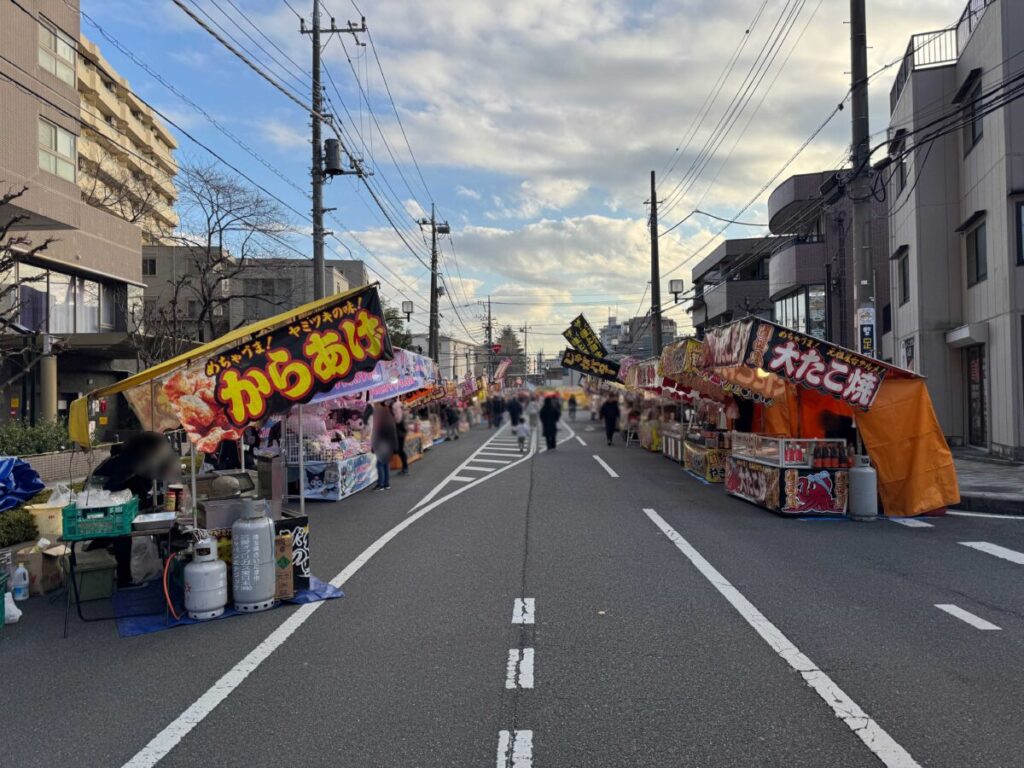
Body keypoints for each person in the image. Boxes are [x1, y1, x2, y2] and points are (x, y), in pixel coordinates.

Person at [372, 403, 398, 490]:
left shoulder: (381, 423)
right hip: (389, 445)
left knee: (380, 464)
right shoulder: (391, 421)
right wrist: (395, 447)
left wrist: (374, 446)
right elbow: (394, 435)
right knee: (386, 464)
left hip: (382, 445)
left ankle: (381, 484)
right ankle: (386, 484)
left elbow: (378, 436)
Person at [391, 401, 409, 475]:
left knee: (400, 451)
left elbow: (398, 422)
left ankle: (405, 468)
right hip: (401, 434)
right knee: (400, 451)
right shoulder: (402, 413)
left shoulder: (399, 415)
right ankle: (405, 467)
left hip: (399, 434)